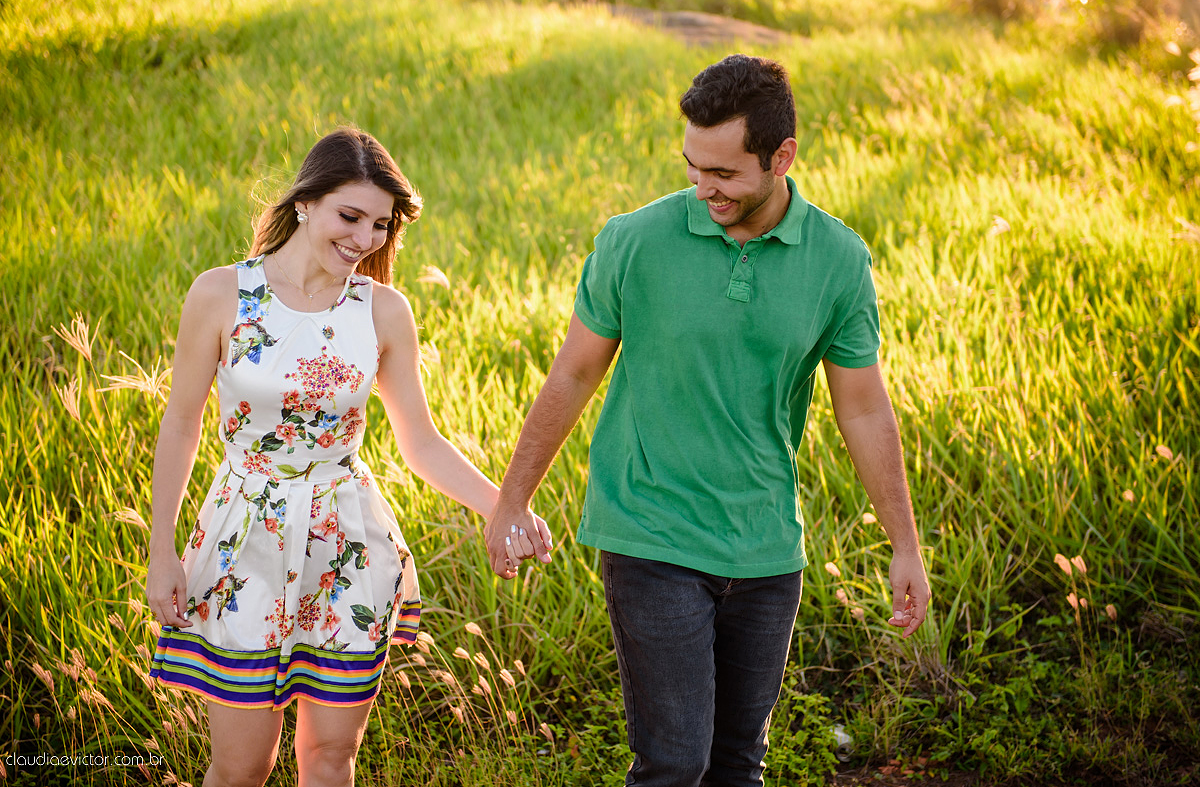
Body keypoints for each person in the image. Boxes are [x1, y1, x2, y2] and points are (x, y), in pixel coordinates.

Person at [486, 54, 931, 786]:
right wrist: (513, 496)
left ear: (782, 156)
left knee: (737, 763)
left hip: (764, 545)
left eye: (724, 174)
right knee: (674, 761)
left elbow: (863, 406)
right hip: (650, 531)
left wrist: (904, 543)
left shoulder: (839, 259)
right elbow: (573, 372)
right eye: (694, 168)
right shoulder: (634, 240)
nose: (704, 188)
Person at [145, 128, 526, 787]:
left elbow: (421, 441)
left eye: (380, 224)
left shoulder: (381, 311)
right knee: (240, 766)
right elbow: (180, 425)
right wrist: (161, 549)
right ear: (304, 203)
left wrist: (505, 507)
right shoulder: (221, 293)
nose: (364, 239)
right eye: (350, 216)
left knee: (328, 759)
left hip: (345, 545)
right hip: (243, 541)